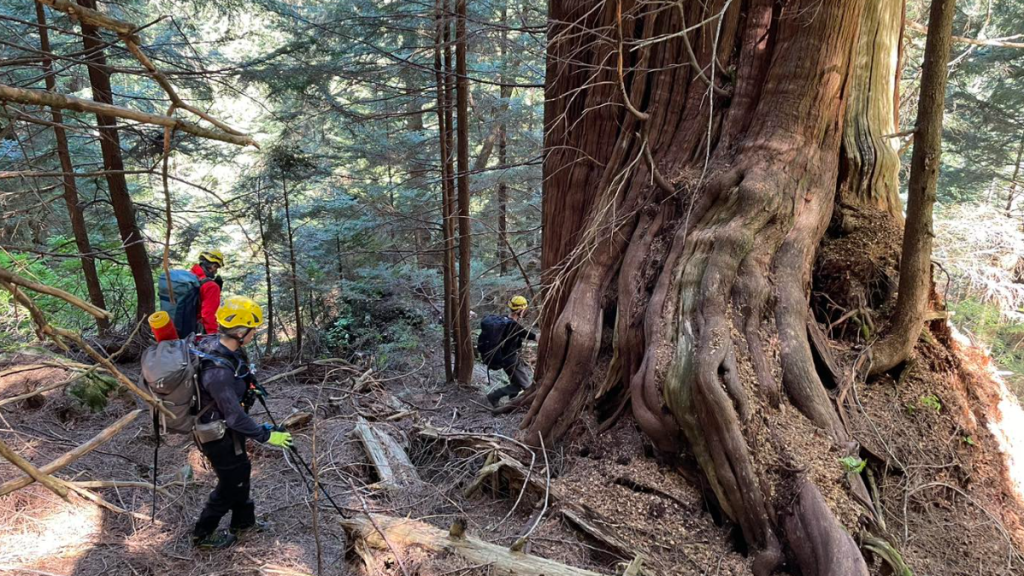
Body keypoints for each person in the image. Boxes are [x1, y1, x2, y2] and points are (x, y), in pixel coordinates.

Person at [190, 295, 293, 550]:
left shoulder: (224, 347)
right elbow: (234, 416)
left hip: (228, 429)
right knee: (230, 483)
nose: (255, 332)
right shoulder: (217, 372)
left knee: (241, 472)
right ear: (239, 331)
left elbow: (235, 410)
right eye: (252, 328)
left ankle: (243, 522)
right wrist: (265, 435)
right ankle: (203, 534)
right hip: (216, 434)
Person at [485, 295, 537, 407]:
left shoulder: (504, 320)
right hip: (511, 360)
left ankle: (512, 402)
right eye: (524, 309)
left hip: (505, 359)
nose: (525, 311)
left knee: (516, 383)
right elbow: (534, 337)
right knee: (526, 385)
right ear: (519, 310)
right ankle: (494, 396)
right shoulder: (514, 326)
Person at [192, 249, 225, 334]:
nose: (216, 271)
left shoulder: (189, 277)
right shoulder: (211, 286)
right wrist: (213, 335)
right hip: (195, 332)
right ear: (212, 266)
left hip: (176, 327)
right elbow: (208, 315)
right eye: (216, 267)